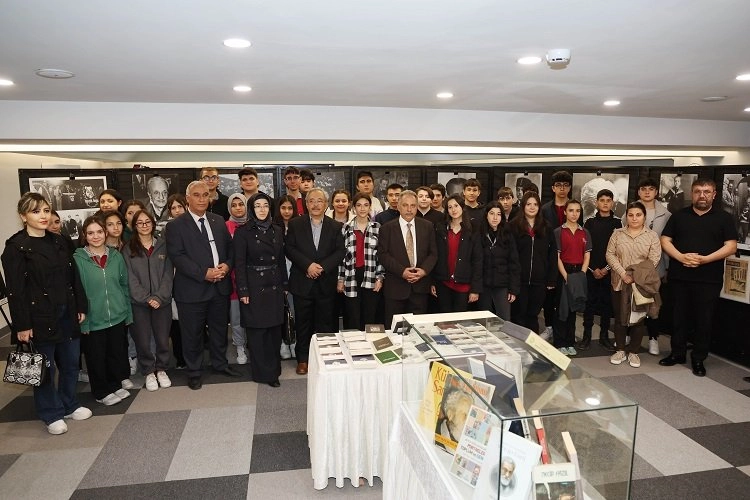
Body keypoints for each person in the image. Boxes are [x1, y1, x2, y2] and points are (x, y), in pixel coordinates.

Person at [1, 193, 91, 435]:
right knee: (45, 369)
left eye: (46, 210)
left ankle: (69, 404)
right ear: (23, 216)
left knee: (70, 364)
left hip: (67, 312)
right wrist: (22, 325)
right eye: (35, 211)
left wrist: (80, 306)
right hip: (39, 317)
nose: (43, 216)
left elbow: (73, 277)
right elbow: (16, 291)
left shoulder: (60, 240)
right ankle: (51, 413)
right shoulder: (16, 248)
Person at [165, 180, 240, 390]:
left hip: (219, 287)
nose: (201, 199)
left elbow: (230, 249)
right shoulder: (175, 226)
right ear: (187, 198)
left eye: (205, 195)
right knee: (192, 334)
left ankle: (220, 364)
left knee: (219, 330)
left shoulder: (218, 220)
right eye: (196, 195)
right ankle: (194, 371)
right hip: (192, 289)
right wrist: (204, 273)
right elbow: (177, 256)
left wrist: (227, 266)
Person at [659, 179, 738, 377]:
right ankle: (677, 353)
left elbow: (731, 246)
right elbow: (665, 240)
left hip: (708, 280)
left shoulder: (724, 218)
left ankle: (698, 358)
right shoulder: (679, 216)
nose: (702, 195)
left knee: (704, 320)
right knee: (678, 317)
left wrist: (705, 260)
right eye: (698, 191)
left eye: (706, 191)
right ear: (692, 194)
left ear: (714, 194)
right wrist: (680, 257)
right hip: (679, 277)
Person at [73, 215, 133, 406]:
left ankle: (114, 385)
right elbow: (77, 292)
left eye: (99, 231)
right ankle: (101, 391)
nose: (96, 236)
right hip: (93, 319)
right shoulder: (77, 259)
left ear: (105, 233)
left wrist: (127, 312)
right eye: (91, 233)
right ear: (85, 235)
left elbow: (124, 285)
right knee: (96, 358)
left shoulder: (116, 256)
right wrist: (84, 323)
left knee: (115, 354)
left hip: (117, 315)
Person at [285, 187, 346, 375]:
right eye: (311, 201)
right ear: (306, 204)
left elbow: (340, 251)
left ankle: (325, 357)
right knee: (303, 323)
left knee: (325, 323)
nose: (315, 204)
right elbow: (289, 248)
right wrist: (308, 266)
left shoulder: (335, 226)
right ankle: (303, 359)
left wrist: (322, 267)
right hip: (302, 281)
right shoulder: (295, 224)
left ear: (326, 204)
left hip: (326, 282)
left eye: (320, 201)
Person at [234, 192, 287, 387]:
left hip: (274, 284)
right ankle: (261, 373)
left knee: (274, 332)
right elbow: (239, 264)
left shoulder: (277, 229)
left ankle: (273, 372)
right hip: (254, 286)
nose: (262, 209)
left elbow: (280, 260)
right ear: (251, 209)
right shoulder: (243, 232)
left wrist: (285, 285)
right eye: (257, 206)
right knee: (257, 333)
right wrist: (243, 291)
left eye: (265, 205)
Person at [606, 201, 662, 368]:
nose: (634, 218)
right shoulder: (617, 234)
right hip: (619, 282)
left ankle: (634, 352)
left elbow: (654, 259)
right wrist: (623, 273)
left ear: (644, 216)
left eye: (638, 215)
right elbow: (610, 254)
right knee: (619, 318)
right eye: (631, 215)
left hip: (641, 284)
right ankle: (620, 350)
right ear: (626, 216)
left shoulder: (652, 236)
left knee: (638, 319)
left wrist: (635, 276)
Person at [123, 209, 174, 391]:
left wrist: (159, 297)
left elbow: (168, 274)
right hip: (139, 304)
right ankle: (149, 371)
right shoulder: (127, 249)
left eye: (147, 222)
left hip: (162, 301)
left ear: (153, 224)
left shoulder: (163, 246)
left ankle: (161, 369)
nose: (144, 225)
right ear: (134, 226)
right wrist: (146, 298)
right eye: (140, 223)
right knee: (143, 340)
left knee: (162, 338)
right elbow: (129, 278)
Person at [378, 190, 438, 328]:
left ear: (417, 207)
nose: (409, 209)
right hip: (395, 288)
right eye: (405, 205)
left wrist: (424, 271)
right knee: (394, 330)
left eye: (413, 205)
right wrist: (402, 271)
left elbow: (433, 253)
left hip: (420, 288)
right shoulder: (387, 228)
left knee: (418, 330)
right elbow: (383, 255)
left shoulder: (427, 226)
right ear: (398, 207)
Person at [630, 178, 671, 356]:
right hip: (634, 267)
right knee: (632, 303)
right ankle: (630, 336)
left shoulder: (666, 214)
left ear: (656, 192)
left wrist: (667, 267)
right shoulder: (630, 211)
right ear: (638, 191)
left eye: (651, 189)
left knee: (653, 305)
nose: (647, 192)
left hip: (656, 267)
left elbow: (667, 243)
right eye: (643, 188)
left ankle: (653, 338)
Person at [578, 189, 621, 351]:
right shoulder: (589, 223)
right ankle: (586, 336)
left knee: (606, 305)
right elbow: (584, 248)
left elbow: (619, 250)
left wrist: (606, 269)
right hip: (591, 271)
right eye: (602, 200)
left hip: (609, 271)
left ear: (612, 203)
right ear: (596, 203)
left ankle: (604, 337)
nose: (605, 203)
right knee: (589, 304)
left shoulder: (618, 224)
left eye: (608, 200)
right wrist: (592, 269)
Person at [509, 192, 557, 333]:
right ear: (523, 206)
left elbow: (552, 254)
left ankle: (532, 344)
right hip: (519, 281)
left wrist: (551, 279)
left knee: (533, 315)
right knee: (518, 315)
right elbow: (510, 255)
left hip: (539, 281)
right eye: (528, 204)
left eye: (535, 204)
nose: (532, 207)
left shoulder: (547, 227)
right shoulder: (513, 226)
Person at [337, 192, 384, 330]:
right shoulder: (345, 228)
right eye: (359, 205)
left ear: (370, 207)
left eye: (366, 205)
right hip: (351, 275)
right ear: (353, 208)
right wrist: (340, 279)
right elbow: (341, 256)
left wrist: (380, 278)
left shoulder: (377, 227)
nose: (362, 208)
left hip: (371, 274)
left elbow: (381, 255)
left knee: (370, 316)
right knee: (353, 317)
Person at [553, 199, 592, 356]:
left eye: (577, 211)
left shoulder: (585, 232)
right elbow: (557, 257)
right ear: (565, 212)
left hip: (579, 272)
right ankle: (559, 342)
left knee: (573, 309)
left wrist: (582, 274)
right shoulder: (558, 232)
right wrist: (566, 277)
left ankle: (570, 342)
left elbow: (587, 255)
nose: (574, 214)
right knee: (561, 309)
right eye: (571, 210)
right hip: (564, 271)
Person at [431, 195, 483, 313]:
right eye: (450, 207)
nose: (453, 210)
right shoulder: (440, 228)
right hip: (443, 282)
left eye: (456, 206)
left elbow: (478, 260)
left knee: (460, 319)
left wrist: (475, 289)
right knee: (444, 318)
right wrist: (433, 282)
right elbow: (435, 257)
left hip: (463, 282)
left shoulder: (473, 229)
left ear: (462, 207)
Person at [541, 171, 573, 340]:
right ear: (553, 188)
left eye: (565, 185)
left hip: (570, 258)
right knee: (549, 295)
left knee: (566, 296)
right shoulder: (545, 209)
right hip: (550, 257)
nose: (562, 189)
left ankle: (565, 330)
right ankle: (549, 327)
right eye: (559, 185)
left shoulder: (574, 207)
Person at [478, 201, 520, 320]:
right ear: (486, 215)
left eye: (498, 214)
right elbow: (475, 262)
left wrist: (513, 289)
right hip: (483, 285)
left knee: (504, 319)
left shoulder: (507, 235)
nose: (495, 217)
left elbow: (514, 263)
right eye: (492, 213)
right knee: (484, 321)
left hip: (502, 285)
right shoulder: (479, 234)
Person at [225, 193, 249, 365]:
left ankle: (254, 344)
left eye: (241, 204)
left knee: (254, 314)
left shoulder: (253, 224)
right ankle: (240, 345)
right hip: (233, 279)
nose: (238, 208)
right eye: (234, 205)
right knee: (236, 317)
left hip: (253, 279)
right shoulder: (224, 226)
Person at [274, 195, 298, 360]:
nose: (287, 211)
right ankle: (283, 342)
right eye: (283, 208)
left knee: (294, 311)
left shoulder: (300, 225)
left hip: (297, 273)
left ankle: (294, 341)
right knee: (280, 310)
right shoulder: (273, 227)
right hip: (279, 273)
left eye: (290, 208)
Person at [165, 193, 187, 369]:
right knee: (176, 322)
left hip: (193, 281)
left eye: (180, 206)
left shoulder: (194, 226)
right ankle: (180, 358)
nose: (177, 210)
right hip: (173, 280)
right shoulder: (167, 230)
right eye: (173, 208)